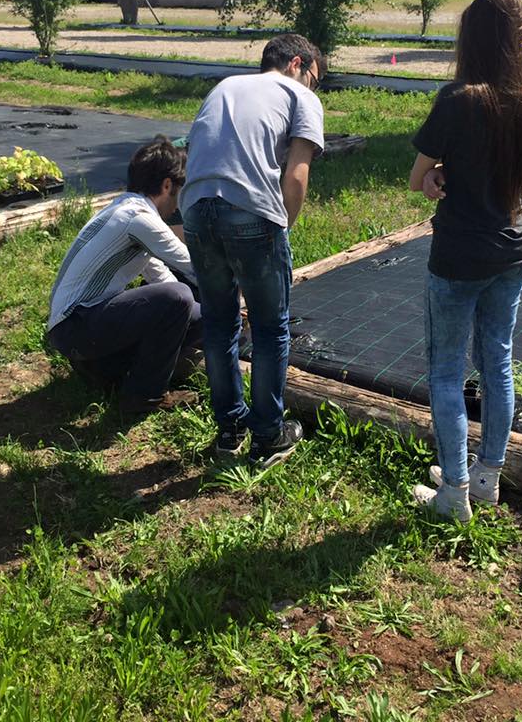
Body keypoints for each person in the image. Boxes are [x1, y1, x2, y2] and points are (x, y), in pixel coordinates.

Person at [408, 0, 522, 521]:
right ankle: (486, 478)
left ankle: (454, 493)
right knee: (498, 363)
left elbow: (420, 176)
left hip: (460, 255)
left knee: (446, 371)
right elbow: (507, 174)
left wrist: (437, 177)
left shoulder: (458, 98)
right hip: (515, 249)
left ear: (471, 35)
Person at [181, 33, 325, 468]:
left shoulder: (224, 87)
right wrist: (279, 230)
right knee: (269, 327)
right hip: (250, 212)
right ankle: (268, 435)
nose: (314, 88)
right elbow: (296, 175)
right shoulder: (299, 96)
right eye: (315, 79)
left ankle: (229, 431)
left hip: (195, 209)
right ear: (298, 64)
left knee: (220, 324)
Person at [47, 137, 201, 415]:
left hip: (73, 328)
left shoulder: (123, 209)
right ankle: (145, 396)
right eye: (180, 190)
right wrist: (237, 296)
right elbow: (193, 267)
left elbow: (159, 274)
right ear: (167, 185)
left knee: (192, 309)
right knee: (181, 297)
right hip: (76, 327)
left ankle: (107, 369)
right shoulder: (140, 218)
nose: (178, 204)